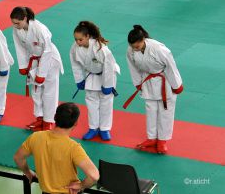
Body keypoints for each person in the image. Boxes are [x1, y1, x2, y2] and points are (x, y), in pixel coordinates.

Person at [14, 102, 99, 194]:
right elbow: (94, 176)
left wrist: (28, 172)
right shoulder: (73, 147)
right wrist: (81, 185)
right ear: (76, 123)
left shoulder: (35, 137)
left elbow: (18, 158)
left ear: (55, 117)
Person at [123, 25, 183, 154]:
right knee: (150, 109)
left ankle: (162, 140)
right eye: (132, 46)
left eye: (137, 46)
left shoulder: (159, 49)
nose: (134, 49)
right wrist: (138, 83)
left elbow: (171, 66)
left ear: (143, 39)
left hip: (164, 80)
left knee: (165, 110)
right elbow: (133, 68)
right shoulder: (131, 51)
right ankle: (151, 138)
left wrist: (176, 85)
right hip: (148, 81)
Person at [10, 7, 64, 131]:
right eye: (13, 23)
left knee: (49, 92)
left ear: (25, 18)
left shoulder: (40, 29)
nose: (15, 25)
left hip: (49, 61)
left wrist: (42, 73)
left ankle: (48, 121)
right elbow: (20, 48)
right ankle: (40, 118)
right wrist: (23, 66)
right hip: (33, 59)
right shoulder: (17, 29)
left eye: (17, 23)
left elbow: (47, 50)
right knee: (36, 90)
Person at [70, 21, 120, 141]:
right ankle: (93, 128)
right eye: (76, 39)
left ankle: (104, 129)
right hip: (91, 75)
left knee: (105, 102)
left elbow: (108, 66)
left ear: (88, 36)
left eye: (80, 39)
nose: (77, 42)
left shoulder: (100, 48)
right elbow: (75, 64)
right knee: (91, 101)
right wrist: (79, 79)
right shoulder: (75, 48)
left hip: (106, 74)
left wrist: (107, 85)